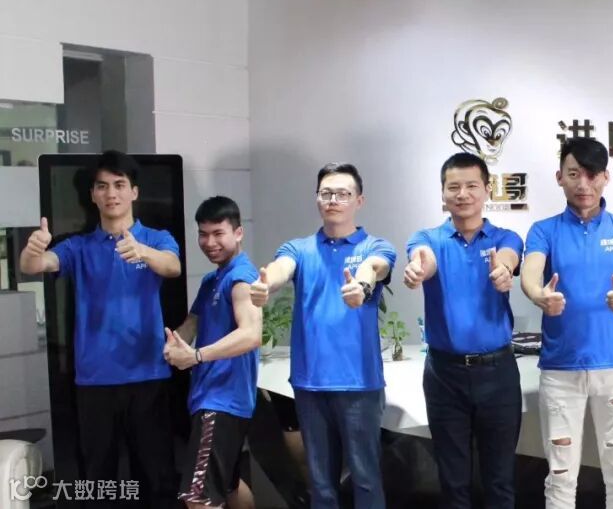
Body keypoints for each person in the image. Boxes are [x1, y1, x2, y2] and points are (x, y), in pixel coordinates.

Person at [19, 150, 182, 507]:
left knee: (156, 477)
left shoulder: (156, 239)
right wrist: (32, 250)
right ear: (93, 194)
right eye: (103, 186)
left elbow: (172, 266)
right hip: (94, 381)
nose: (112, 193)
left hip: (147, 375)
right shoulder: (78, 247)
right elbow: (35, 265)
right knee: (97, 479)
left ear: (134, 192)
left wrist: (143, 252)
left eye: (120, 185)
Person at [251, 163, 397, 509]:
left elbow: (376, 267)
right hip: (311, 384)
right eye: (326, 193)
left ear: (358, 200)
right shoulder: (299, 248)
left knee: (365, 478)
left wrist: (362, 286)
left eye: (343, 194)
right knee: (320, 483)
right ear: (317, 199)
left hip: (359, 384)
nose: (333, 200)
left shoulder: (375, 245)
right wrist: (266, 284)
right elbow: (281, 268)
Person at [521, 137, 613, 509]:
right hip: (560, 370)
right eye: (574, 174)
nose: (583, 184)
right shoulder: (544, 230)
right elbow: (530, 273)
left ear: (605, 178)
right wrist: (539, 295)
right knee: (560, 476)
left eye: (592, 175)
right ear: (559, 177)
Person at [403, 152, 524, 508]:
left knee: (500, 479)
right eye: (453, 187)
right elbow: (423, 258)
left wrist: (504, 270)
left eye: (472, 185)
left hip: (498, 372)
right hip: (445, 375)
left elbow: (510, 256)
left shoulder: (505, 237)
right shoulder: (428, 238)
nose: (463, 194)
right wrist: (419, 268)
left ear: (487, 190)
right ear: (443, 193)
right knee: (453, 480)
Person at [162, 196, 262, 509]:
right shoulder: (212, 280)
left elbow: (251, 334)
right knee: (230, 487)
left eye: (218, 233)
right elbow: (192, 323)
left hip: (221, 401)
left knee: (198, 498)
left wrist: (195, 356)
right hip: (215, 399)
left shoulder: (241, 278)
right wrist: (174, 342)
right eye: (203, 234)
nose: (209, 242)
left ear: (238, 233)